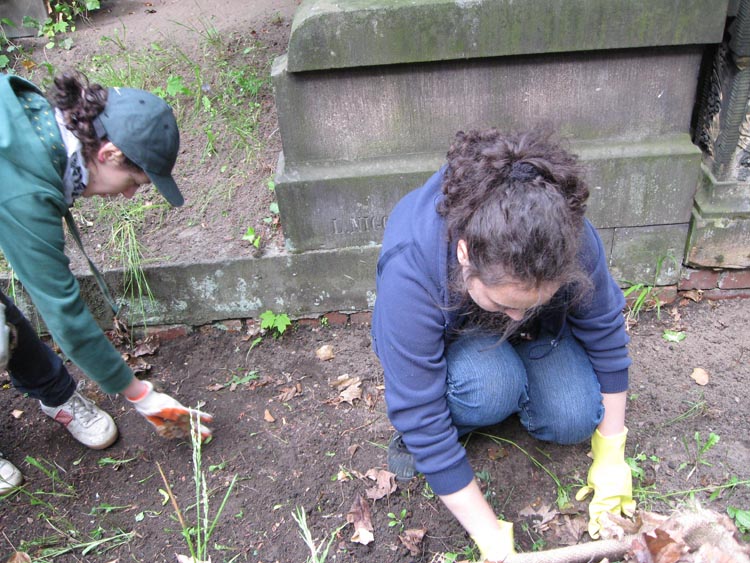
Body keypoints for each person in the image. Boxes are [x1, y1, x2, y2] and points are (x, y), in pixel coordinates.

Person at [371, 128, 634, 561]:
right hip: (459, 339)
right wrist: (489, 534)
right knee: (491, 385)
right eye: (503, 303)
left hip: (539, 336)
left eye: (533, 301)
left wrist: (612, 454)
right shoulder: (412, 271)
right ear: (464, 255)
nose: (516, 315)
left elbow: (604, 332)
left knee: (574, 417)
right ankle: (491, 392)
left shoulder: (563, 235)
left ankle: (515, 376)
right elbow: (419, 412)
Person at [0, 71, 213, 493]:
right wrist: (140, 394)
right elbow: (63, 312)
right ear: (110, 153)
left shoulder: (34, 125)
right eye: (134, 182)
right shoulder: (23, 191)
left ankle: (53, 392)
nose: (130, 194)